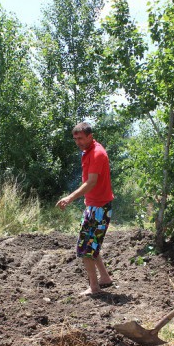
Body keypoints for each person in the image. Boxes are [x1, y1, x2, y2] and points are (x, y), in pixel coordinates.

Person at [56, 122, 115, 296]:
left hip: (99, 208)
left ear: (90, 136)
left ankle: (94, 287)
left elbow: (91, 182)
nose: (78, 142)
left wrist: (69, 197)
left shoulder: (97, 153)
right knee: (91, 245)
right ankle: (104, 278)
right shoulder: (88, 151)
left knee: (85, 248)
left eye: (81, 138)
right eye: (75, 139)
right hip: (95, 206)